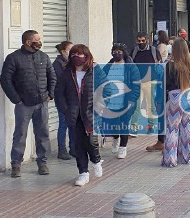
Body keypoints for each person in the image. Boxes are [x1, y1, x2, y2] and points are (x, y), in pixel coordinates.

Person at [0, 30, 57, 178]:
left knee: (43, 134)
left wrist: (50, 94)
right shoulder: (13, 58)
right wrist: (16, 99)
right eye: (37, 40)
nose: (40, 42)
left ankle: (42, 163)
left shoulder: (43, 57)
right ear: (27, 42)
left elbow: (52, 76)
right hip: (23, 104)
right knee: (20, 134)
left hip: (42, 102)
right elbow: (5, 80)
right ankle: (16, 165)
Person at [55, 44, 106, 186]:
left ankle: (96, 161)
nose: (76, 57)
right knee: (78, 145)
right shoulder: (67, 73)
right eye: (73, 55)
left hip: (91, 113)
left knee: (90, 141)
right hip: (74, 114)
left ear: (86, 55)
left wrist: (99, 106)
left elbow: (107, 89)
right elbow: (59, 93)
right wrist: (66, 110)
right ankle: (83, 172)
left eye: (80, 54)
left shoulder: (95, 71)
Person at [162, 38, 190, 167]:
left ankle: (170, 159)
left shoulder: (170, 65)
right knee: (188, 128)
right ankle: (187, 157)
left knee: (172, 128)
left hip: (175, 96)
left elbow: (165, 84)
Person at [102, 44, 141, 159]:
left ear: (124, 53)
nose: (116, 53)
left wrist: (132, 99)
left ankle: (123, 147)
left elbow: (136, 85)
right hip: (111, 100)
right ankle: (115, 138)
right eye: (114, 51)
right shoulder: (109, 66)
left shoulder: (130, 66)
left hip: (126, 100)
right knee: (113, 123)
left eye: (119, 51)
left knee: (124, 123)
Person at [54, 41, 74, 160]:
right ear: (63, 51)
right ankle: (62, 149)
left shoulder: (71, 63)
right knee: (63, 124)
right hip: (62, 98)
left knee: (72, 124)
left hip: (72, 98)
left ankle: (73, 148)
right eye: (70, 50)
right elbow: (62, 81)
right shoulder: (57, 64)